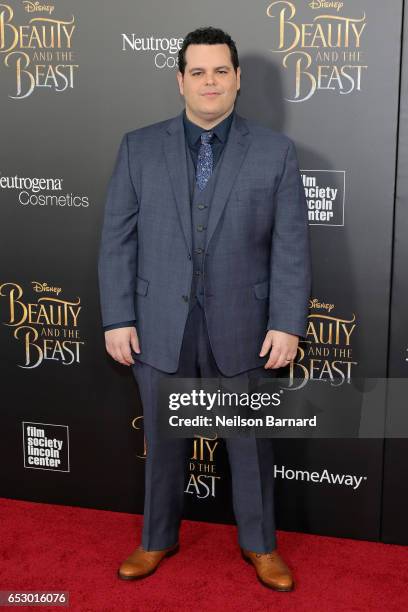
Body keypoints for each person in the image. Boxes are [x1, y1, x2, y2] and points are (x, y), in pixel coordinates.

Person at [97, 26, 311, 592]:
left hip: (244, 324)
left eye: (221, 71)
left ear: (238, 80)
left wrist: (287, 322)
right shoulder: (138, 147)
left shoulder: (275, 152)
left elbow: (290, 246)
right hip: (157, 324)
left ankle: (261, 547)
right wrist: (117, 317)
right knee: (163, 441)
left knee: (249, 443)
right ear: (180, 81)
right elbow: (118, 239)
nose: (209, 82)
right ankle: (156, 538)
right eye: (198, 72)